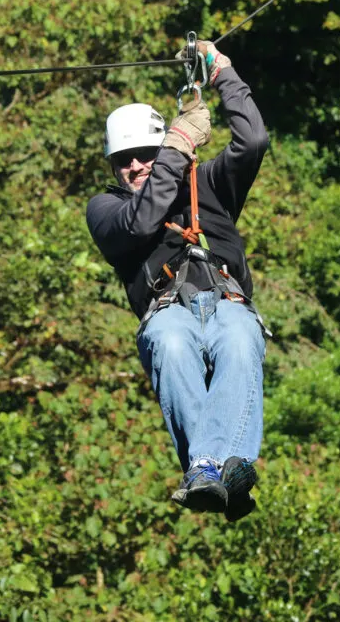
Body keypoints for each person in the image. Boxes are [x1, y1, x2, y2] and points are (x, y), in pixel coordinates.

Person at [86, 41, 269, 521]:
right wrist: (176, 145)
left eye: (145, 153)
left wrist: (224, 74)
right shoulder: (107, 211)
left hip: (227, 300)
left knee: (238, 336)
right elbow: (142, 223)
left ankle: (210, 469)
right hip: (167, 312)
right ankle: (220, 466)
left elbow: (252, 142)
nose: (136, 165)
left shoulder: (207, 183)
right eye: (123, 160)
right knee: (169, 341)